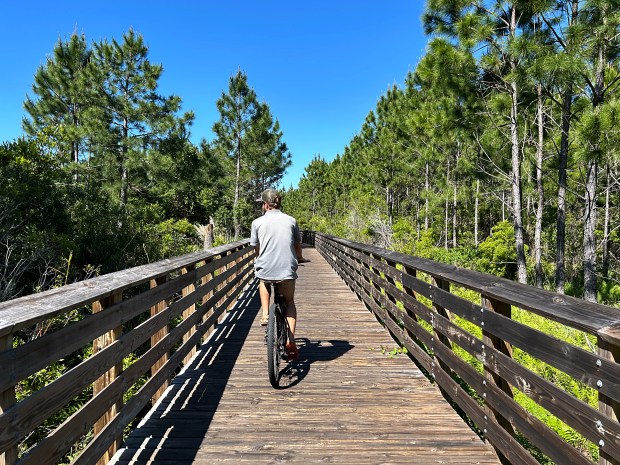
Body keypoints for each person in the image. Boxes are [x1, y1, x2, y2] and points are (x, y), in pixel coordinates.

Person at [250, 188, 307, 361]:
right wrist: (299, 258)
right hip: (286, 271)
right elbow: (297, 245)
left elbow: (256, 248)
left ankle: (266, 314)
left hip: (266, 269)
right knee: (289, 301)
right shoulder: (291, 220)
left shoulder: (257, 223)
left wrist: (262, 257)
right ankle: (290, 339)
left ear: (266, 205)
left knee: (262, 279)